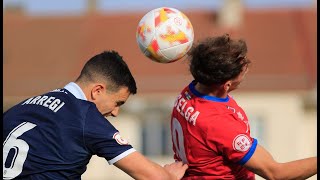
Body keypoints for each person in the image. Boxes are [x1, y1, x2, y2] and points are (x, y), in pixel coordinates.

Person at [3, 50, 188, 180]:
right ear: (97, 90)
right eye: (118, 103)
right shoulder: (84, 116)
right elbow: (153, 177)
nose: (115, 112)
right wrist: (169, 175)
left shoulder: (18, 110)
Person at [170, 34, 317, 179]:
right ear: (226, 85)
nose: (246, 67)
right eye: (242, 68)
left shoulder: (191, 90)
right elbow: (276, 173)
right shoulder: (219, 125)